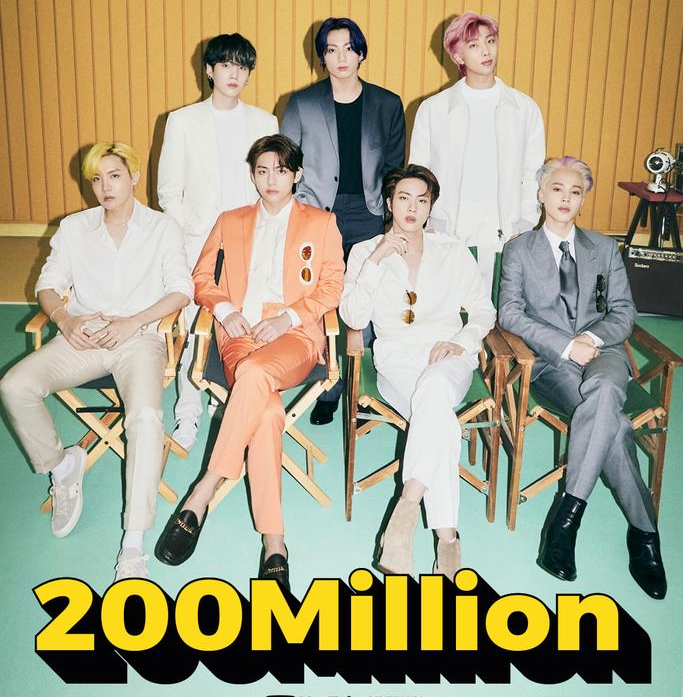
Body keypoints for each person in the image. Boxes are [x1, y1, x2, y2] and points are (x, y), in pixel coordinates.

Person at [155, 135, 344, 589]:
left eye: (281, 170)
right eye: (262, 171)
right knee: (268, 410)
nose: (271, 179)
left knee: (257, 375)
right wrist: (225, 311)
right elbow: (201, 277)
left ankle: (203, 490)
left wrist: (287, 318)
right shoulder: (231, 220)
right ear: (253, 176)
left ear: (297, 175)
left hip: (294, 335)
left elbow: (332, 286)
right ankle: (274, 543)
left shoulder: (322, 223)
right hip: (238, 333)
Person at [0, 143, 193, 580]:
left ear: (135, 177)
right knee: (14, 386)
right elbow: (48, 285)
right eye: (97, 178)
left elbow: (181, 290)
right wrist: (65, 320)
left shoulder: (162, 228)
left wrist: (134, 322)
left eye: (114, 175)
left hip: (138, 339)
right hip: (83, 336)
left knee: (146, 416)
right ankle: (62, 466)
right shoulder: (74, 228)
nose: (105, 186)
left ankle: (133, 544)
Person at [498, 156, 667, 599]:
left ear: (583, 199)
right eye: (557, 189)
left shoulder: (604, 248)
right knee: (615, 424)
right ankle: (645, 534)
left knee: (606, 387)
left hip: (603, 352)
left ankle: (566, 519)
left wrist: (590, 337)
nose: (566, 199)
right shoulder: (519, 250)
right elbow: (510, 313)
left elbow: (624, 312)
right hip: (551, 364)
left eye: (575, 192)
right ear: (541, 194)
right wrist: (565, 344)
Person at [339, 164, 495, 579]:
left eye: (421, 200)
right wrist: (377, 260)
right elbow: (353, 317)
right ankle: (447, 540)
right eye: (404, 198)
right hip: (396, 359)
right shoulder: (364, 252)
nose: (412, 208)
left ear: (431, 207)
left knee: (435, 390)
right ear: (389, 203)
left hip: (449, 354)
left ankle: (405, 515)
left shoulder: (452, 250)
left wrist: (461, 341)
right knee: (439, 417)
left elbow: (484, 310)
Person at [282, 16, 406, 424]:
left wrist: (390, 219)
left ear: (361, 54)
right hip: (320, 215)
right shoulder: (302, 103)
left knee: (367, 297)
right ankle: (329, 386)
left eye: (349, 49)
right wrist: (303, 212)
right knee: (326, 299)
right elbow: (288, 164)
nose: (341, 57)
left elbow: (394, 168)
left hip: (369, 214)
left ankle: (362, 388)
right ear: (321, 56)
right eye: (332, 49)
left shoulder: (387, 103)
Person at [158, 33, 278, 450]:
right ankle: (187, 414)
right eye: (225, 65)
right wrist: (192, 236)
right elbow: (168, 193)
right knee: (197, 328)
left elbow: (272, 187)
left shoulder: (265, 123)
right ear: (209, 70)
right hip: (199, 242)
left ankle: (227, 400)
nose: (234, 74)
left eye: (242, 67)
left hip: (251, 242)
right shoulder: (182, 121)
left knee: (242, 322)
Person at [409, 11, 545, 293]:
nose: (486, 51)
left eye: (490, 41)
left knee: (499, 306)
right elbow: (419, 173)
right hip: (448, 226)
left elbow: (533, 173)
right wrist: (426, 223)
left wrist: (525, 223)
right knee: (447, 304)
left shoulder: (525, 108)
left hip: (505, 228)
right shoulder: (433, 109)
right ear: (458, 56)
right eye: (474, 45)